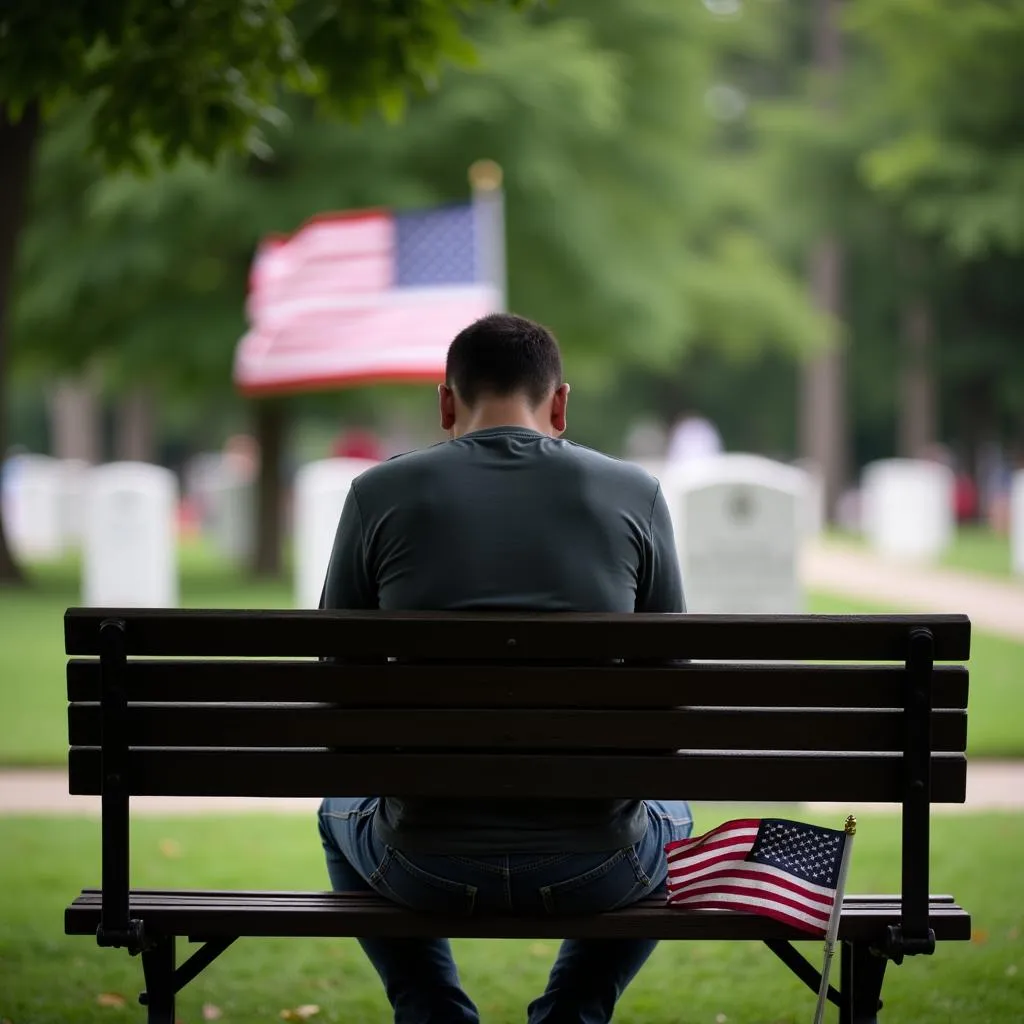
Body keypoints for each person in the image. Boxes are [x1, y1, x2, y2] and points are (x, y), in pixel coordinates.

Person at [317, 313, 691, 1024]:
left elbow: (338, 688)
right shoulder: (632, 493)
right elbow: (670, 692)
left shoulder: (378, 495)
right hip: (596, 864)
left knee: (337, 810)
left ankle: (433, 1012)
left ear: (446, 404)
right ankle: (571, 1013)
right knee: (675, 812)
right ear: (560, 404)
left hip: (425, 864)